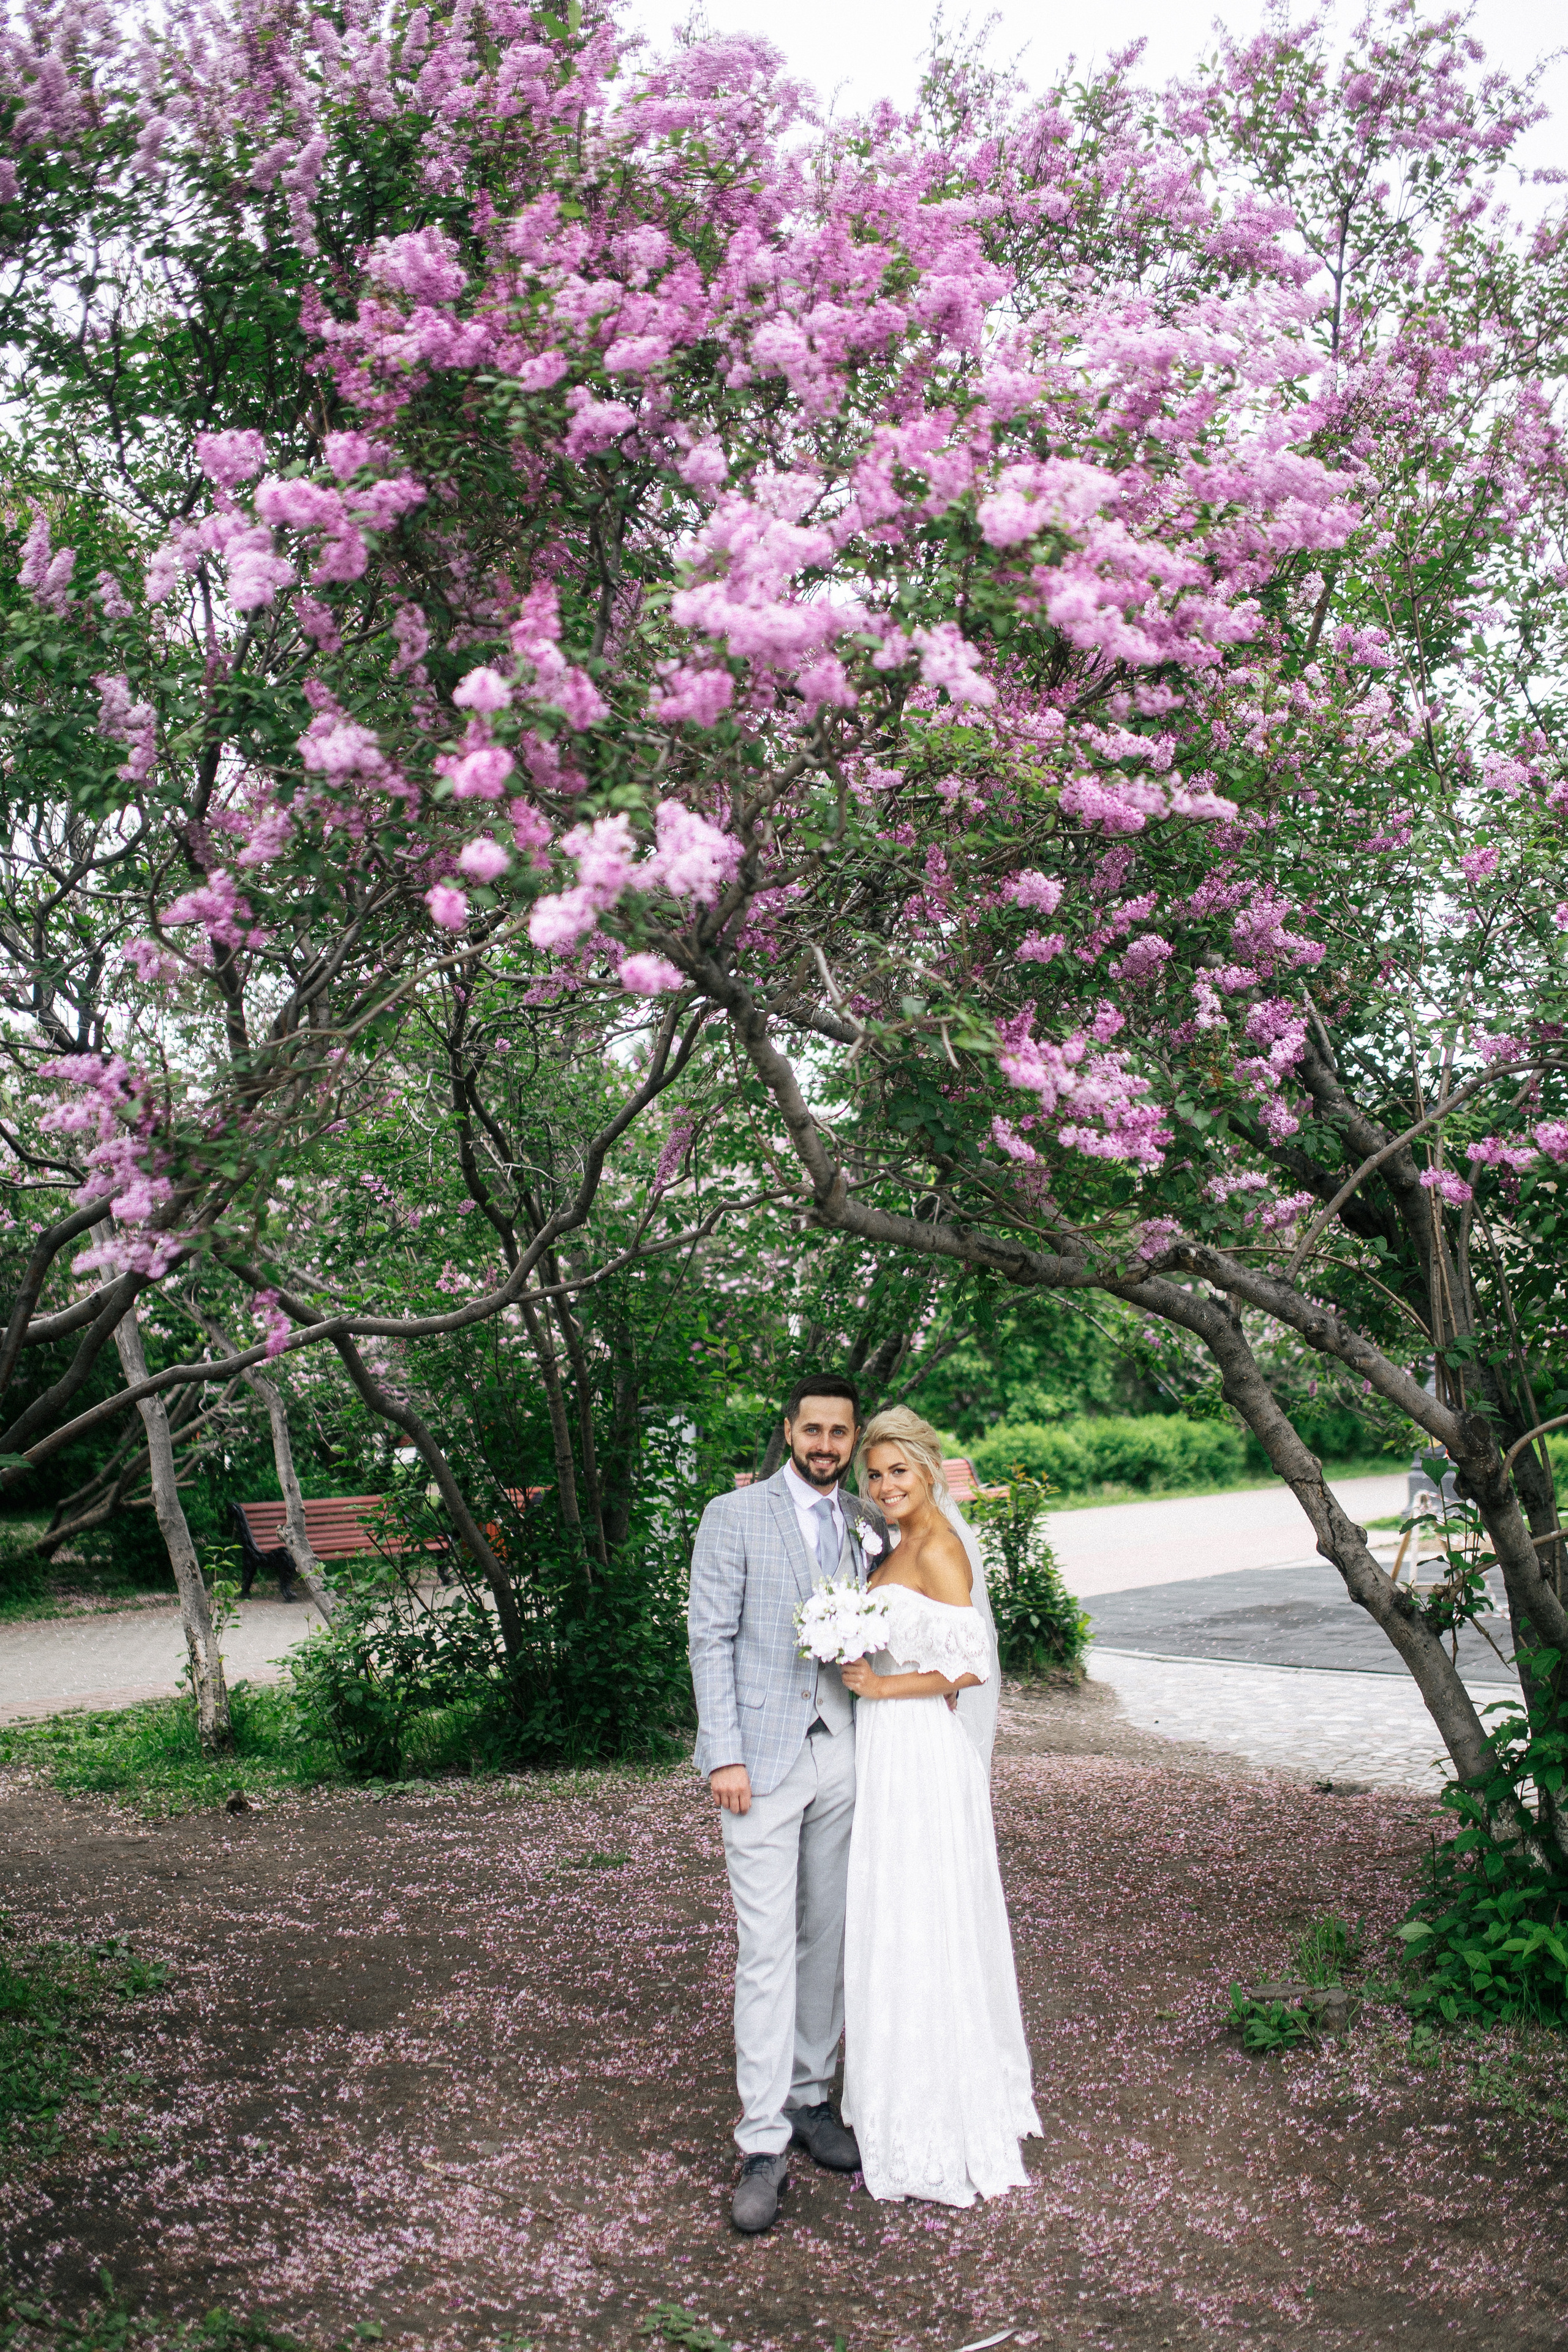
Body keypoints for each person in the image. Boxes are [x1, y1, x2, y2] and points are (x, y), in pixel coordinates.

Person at [688, 1374, 888, 2234]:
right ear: (789, 1430)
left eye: (840, 1433)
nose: (826, 1446)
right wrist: (723, 1754)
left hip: (842, 1751)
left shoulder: (867, 1524)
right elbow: (711, 1637)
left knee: (827, 1935)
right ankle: (762, 2139)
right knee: (766, 1948)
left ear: (852, 1438)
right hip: (759, 1766)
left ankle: (810, 2098)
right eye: (812, 1430)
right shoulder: (731, 1518)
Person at [840, 1406, 1041, 2206]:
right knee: (893, 1914)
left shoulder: (941, 1547)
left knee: (925, 1914)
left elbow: (971, 1665)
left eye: (899, 1472)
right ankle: (892, 2092)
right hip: (884, 1747)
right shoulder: (891, 1548)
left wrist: (884, 1684)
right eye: (876, 1474)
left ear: (928, 1472)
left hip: (917, 1744)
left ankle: (940, 2108)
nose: (886, 1486)